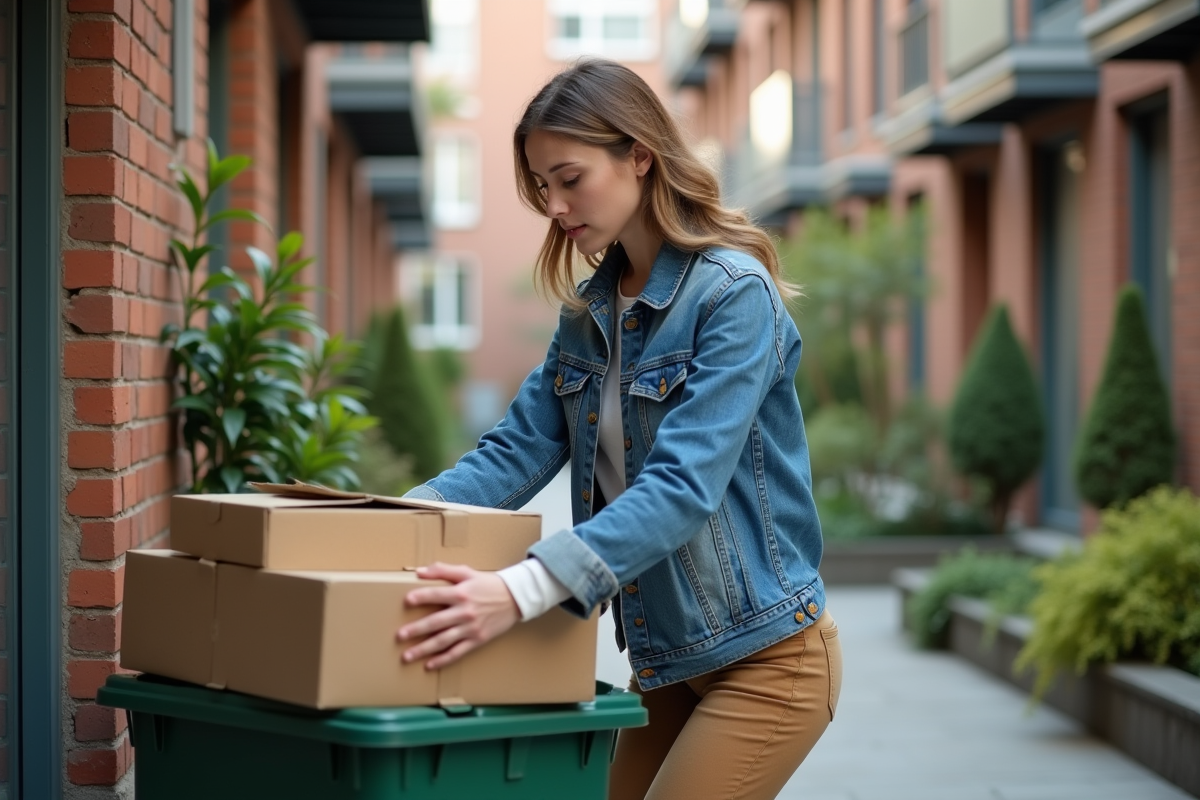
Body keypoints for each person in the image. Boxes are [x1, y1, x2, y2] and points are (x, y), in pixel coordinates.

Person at [396, 59, 841, 800]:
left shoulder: (733, 296)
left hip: (769, 659)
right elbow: (512, 454)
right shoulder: (588, 312)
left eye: (569, 177)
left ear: (639, 154)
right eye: (542, 186)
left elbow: (682, 487)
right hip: (666, 661)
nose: (555, 204)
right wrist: (383, 526)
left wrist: (521, 589)